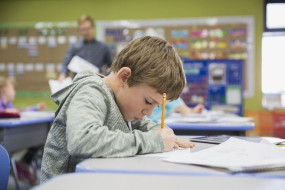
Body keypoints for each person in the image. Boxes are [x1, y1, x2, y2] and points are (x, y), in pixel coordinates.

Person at [40, 36, 195, 183]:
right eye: (148, 101)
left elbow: (141, 125)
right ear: (124, 77)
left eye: (156, 106)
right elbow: (82, 140)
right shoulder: (90, 92)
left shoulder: (121, 102)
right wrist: (155, 141)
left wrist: (164, 134)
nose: (149, 112)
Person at [0, 76, 46, 184]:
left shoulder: (8, 104)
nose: (15, 92)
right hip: (5, 138)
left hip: (10, 137)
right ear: (4, 90)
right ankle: (19, 166)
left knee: (39, 137)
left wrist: (35, 108)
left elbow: (19, 111)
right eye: (13, 89)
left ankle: (22, 165)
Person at [58, 15, 112, 81]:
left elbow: (111, 67)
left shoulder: (103, 47)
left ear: (93, 28)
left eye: (87, 29)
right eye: (82, 30)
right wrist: (62, 75)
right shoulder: (74, 46)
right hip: (78, 83)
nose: (85, 32)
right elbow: (66, 63)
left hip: (97, 83)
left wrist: (104, 74)